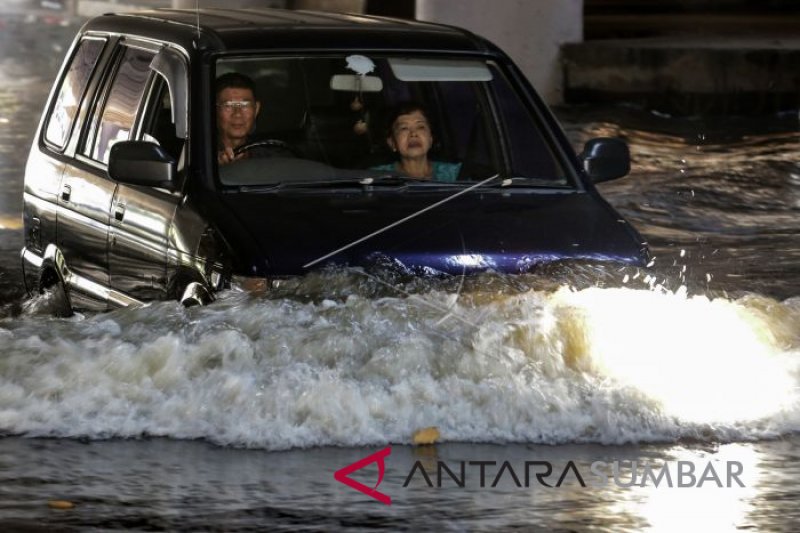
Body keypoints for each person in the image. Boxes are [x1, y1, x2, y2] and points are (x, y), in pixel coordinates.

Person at [373, 101, 461, 181]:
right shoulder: (376, 178)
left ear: (430, 139)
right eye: (404, 128)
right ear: (392, 143)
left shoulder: (457, 174)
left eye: (420, 127)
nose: (413, 134)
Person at [216, 72, 261, 165]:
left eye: (245, 105)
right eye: (228, 105)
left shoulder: (269, 158)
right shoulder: (198, 156)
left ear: (256, 109)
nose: (237, 114)